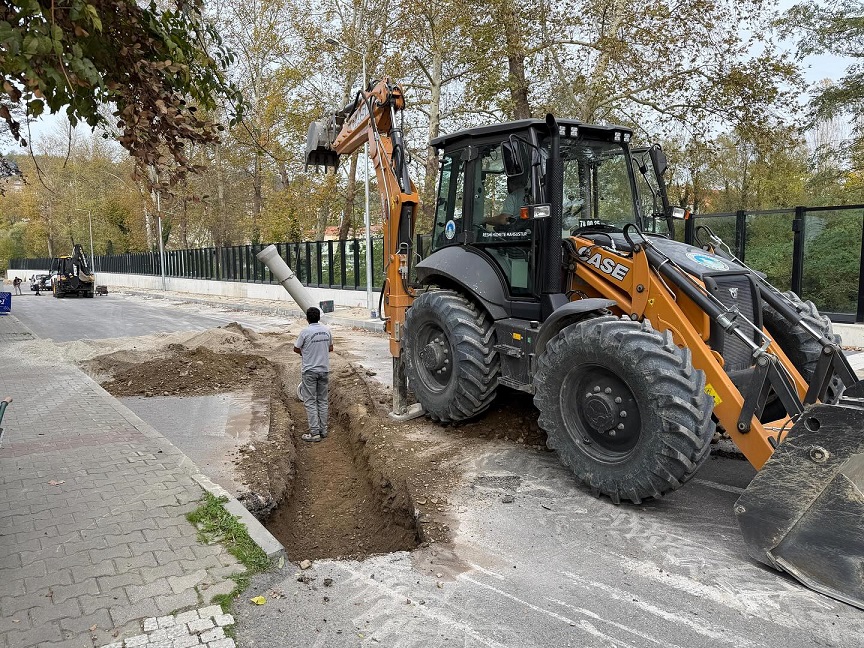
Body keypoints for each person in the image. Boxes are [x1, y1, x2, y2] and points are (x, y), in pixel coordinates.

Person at [293, 306, 333, 443]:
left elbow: (296, 348)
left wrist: (306, 353)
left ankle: (315, 433)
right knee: (322, 400)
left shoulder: (305, 332)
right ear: (319, 317)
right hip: (324, 370)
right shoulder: (326, 331)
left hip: (309, 371)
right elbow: (331, 348)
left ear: (307, 318)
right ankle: (323, 430)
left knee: (310, 402)